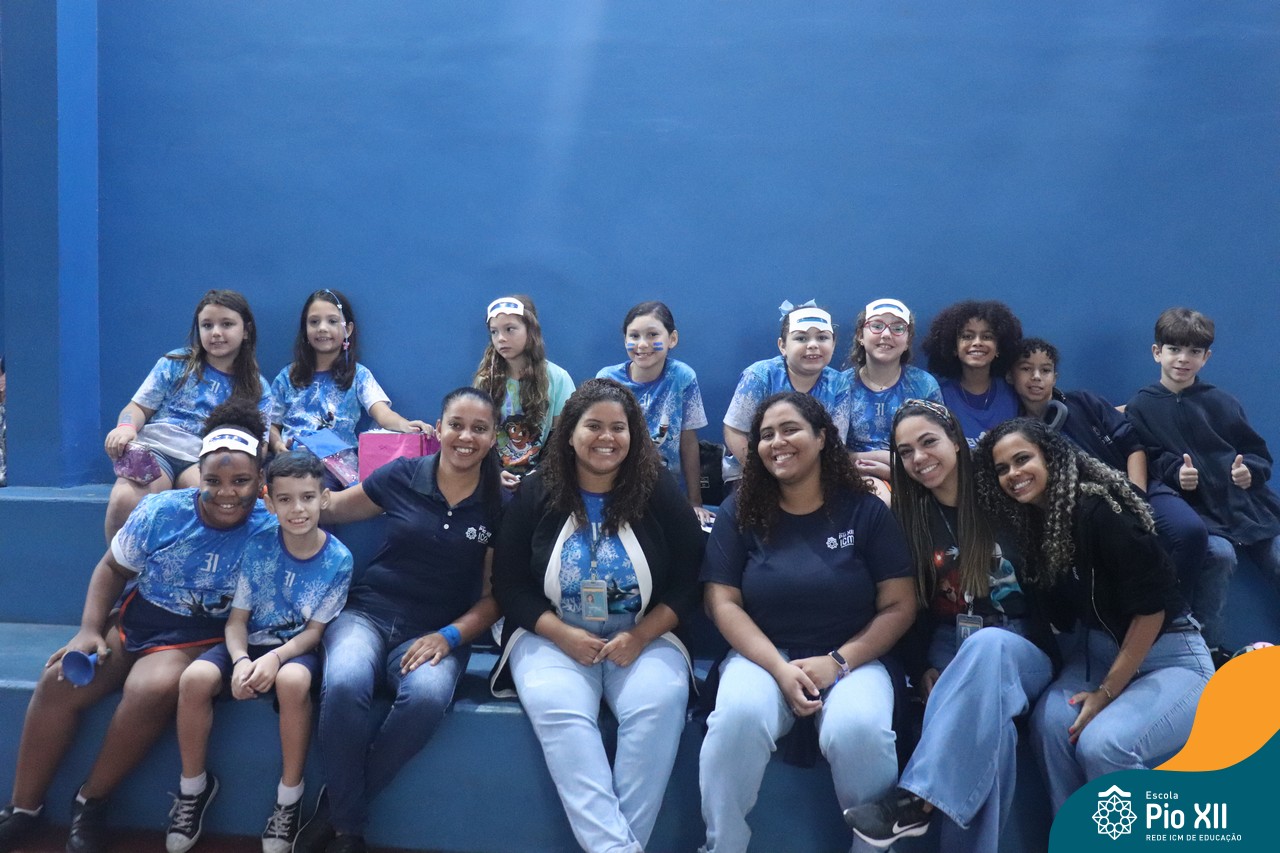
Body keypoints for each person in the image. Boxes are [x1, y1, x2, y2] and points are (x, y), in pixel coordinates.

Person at [0, 400, 275, 853]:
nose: (227, 492)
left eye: (241, 481)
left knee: (151, 687)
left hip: (198, 635)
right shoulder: (161, 511)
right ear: (198, 476)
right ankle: (24, 807)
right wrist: (89, 630)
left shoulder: (269, 531)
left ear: (259, 479)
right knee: (60, 678)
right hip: (138, 618)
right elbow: (112, 568)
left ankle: (91, 801)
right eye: (213, 481)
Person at [489, 378, 704, 853]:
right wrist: (561, 635)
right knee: (559, 710)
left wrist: (642, 635)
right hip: (551, 636)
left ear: (633, 436)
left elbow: (692, 577)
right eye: (593, 426)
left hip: (643, 637)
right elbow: (509, 585)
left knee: (658, 706)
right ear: (569, 433)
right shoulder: (536, 490)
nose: (606, 437)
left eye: (618, 428)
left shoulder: (657, 489)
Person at [699, 391, 915, 853]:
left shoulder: (866, 510)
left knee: (859, 730)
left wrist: (837, 662)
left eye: (790, 429)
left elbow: (899, 605)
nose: (777, 442)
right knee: (737, 718)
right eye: (766, 435)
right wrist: (779, 669)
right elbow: (722, 602)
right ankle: (723, 846)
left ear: (821, 438)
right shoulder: (739, 509)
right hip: (763, 656)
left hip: (853, 656)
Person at [295, 387, 506, 853]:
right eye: (456, 425)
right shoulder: (403, 475)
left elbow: (495, 599)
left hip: (437, 631)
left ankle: (337, 810)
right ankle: (349, 828)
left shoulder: (500, 503)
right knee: (345, 682)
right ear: (439, 427)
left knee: (426, 699)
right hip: (367, 615)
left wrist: (449, 636)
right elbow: (333, 507)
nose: (466, 436)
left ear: (494, 438)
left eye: (479, 428)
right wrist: (280, 497)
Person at [843, 399, 1054, 851]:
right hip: (948, 641)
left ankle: (915, 801)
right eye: (905, 452)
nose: (919, 458)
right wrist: (919, 667)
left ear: (956, 440)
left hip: (1020, 645)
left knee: (990, 646)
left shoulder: (1006, 497)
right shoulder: (908, 519)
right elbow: (907, 606)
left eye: (928, 442)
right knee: (991, 733)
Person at [975, 418, 1213, 813]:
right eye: (1002, 468)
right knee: (1052, 725)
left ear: (1050, 457)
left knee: (1103, 745)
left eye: (1022, 459)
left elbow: (1151, 611)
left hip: (1170, 657)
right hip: (1099, 655)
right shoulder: (1033, 526)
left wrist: (1106, 693)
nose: (1013, 474)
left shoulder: (1101, 511)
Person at [165, 452, 353, 853]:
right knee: (194, 678)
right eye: (285, 499)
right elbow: (237, 620)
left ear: (323, 498)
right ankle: (193, 788)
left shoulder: (338, 559)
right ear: (269, 502)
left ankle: (289, 798)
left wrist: (276, 658)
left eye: (307, 497)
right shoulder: (260, 545)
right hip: (248, 643)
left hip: (296, 648)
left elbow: (314, 633)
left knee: (293, 681)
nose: (297, 509)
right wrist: (241, 661)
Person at [1009, 337, 1215, 648]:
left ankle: (1168, 621)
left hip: (1138, 488)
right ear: (1011, 375)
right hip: (1088, 515)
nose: (1036, 377)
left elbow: (1133, 446)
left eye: (1045, 370)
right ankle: (1127, 629)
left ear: (1055, 376)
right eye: (1026, 369)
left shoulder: (1083, 402)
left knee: (1190, 532)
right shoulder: (1016, 432)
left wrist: (1135, 498)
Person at [1125, 307, 1280, 655]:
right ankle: (1208, 651)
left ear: (1206, 357)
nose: (1183, 359)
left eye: (1194, 351)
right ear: (1157, 352)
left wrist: (1249, 471)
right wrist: (1176, 474)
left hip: (1248, 507)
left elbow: (1257, 452)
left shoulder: (1222, 401)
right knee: (1220, 556)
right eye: (1174, 349)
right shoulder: (1141, 406)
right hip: (1200, 512)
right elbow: (1146, 457)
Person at [103, 289, 270, 541]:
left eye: (226, 324)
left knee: (211, 500)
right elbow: (136, 408)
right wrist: (126, 427)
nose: (216, 332)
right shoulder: (176, 363)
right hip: (157, 451)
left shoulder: (257, 387)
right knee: (124, 500)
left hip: (204, 459)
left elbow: (261, 445)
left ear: (246, 330)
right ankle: (120, 566)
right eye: (207, 325)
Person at [268, 289, 432, 459]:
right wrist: (278, 445)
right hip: (292, 463)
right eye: (314, 322)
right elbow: (271, 424)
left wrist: (406, 425)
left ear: (348, 329)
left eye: (332, 321)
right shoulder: (288, 376)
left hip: (339, 465)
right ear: (305, 329)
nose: (322, 328)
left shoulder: (358, 375)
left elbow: (383, 414)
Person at [596, 300, 713, 524]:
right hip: (616, 487)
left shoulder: (683, 377)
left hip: (666, 491)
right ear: (625, 340)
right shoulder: (606, 379)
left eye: (652, 335)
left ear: (672, 339)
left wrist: (695, 502)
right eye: (634, 336)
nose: (642, 344)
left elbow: (688, 441)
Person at [722, 301, 851, 466]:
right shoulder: (760, 376)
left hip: (813, 471)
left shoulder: (839, 384)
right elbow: (734, 431)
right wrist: (760, 472)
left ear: (833, 344)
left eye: (822, 337)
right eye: (801, 338)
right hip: (753, 468)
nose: (813, 345)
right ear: (782, 346)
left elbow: (835, 444)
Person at [473, 294, 575, 486]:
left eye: (510, 329)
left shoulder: (558, 379)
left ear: (531, 330)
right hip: (494, 476)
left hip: (543, 479)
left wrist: (537, 476)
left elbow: (561, 438)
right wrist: (495, 472)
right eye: (494, 332)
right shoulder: (485, 380)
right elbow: (478, 432)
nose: (501, 338)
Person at [843, 298, 943, 482]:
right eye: (877, 326)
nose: (886, 334)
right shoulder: (841, 386)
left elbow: (936, 449)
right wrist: (878, 459)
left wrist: (893, 472)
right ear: (860, 335)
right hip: (852, 479)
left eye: (897, 328)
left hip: (914, 481)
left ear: (908, 340)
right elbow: (830, 451)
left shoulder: (924, 385)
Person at [921, 300, 1022, 448]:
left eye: (987, 337)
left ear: (999, 348)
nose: (977, 342)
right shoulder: (939, 396)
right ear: (953, 348)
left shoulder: (1013, 394)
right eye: (967, 336)